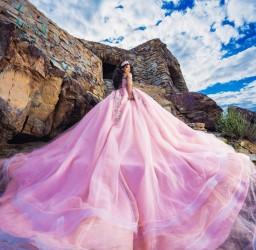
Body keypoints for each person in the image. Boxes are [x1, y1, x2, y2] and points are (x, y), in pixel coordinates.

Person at [0, 59, 255, 250]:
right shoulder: (127, 80)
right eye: (128, 68)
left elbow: (122, 95)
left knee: (107, 138)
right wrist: (133, 94)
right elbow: (130, 93)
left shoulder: (112, 90)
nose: (129, 70)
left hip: (115, 104)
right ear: (126, 70)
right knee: (143, 140)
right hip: (127, 105)